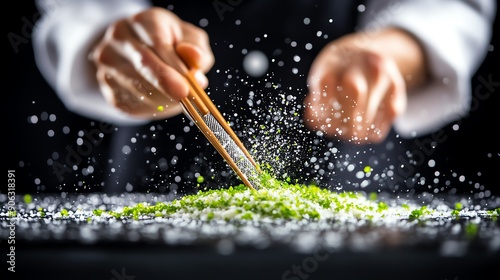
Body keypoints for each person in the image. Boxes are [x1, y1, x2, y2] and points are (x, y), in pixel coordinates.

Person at [31, 0, 495, 195]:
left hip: (358, 164)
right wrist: (115, 41)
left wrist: (395, 51)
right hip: (152, 161)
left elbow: (453, 6)